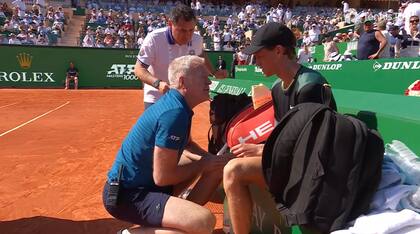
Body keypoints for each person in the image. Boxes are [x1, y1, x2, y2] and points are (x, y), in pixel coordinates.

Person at [222, 22, 336, 234]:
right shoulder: (277, 88)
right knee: (234, 159)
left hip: (315, 170)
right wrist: (261, 149)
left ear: (279, 50)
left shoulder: (309, 86)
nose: (256, 62)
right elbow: (281, 136)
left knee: (233, 171)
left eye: (260, 55)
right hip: (292, 164)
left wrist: (262, 151)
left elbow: (313, 148)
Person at [103, 55, 232, 234]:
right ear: (183, 82)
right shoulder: (174, 113)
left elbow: (187, 144)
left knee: (206, 164)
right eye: (203, 78)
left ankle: (178, 214)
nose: (209, 83)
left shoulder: (179, 106)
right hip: (128, 196)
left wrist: (211, 160)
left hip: (146, 186)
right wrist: (204, 164)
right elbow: (163, 178)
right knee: (204, 222)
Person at [134, 4, 227, 110]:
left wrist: (214, 72)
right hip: (156, 97)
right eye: (182, 30)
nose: (188, 35)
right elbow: (138, 69)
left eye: (191, 30)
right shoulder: (154, 39)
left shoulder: (197, 39)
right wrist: (158, 84)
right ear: (170, 24)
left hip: (183, 99)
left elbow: (201, 56)